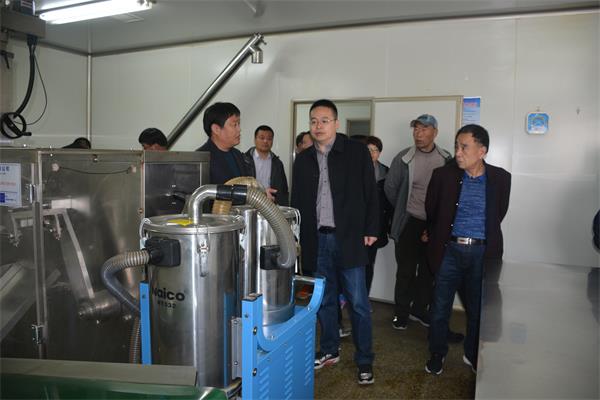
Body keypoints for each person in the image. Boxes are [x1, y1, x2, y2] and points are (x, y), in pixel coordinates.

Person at [291, 99, 378, 385]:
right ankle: (330, 349)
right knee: (324, 300)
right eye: (313, 121)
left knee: (358, 303)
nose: (318, 126)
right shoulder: (303, 159)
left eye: (324, 120)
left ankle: (364, 359)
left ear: (336, 123)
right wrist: (296, 237)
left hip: (349, 238)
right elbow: (297, 201)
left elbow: (370, 191)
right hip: (317, 240)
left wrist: (371, 228)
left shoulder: (356, 152)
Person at [424, 124, 511, 375]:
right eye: (456, 146)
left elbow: (498, 213)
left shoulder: (501, 178)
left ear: (482, 151)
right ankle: (437, 353)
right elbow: (432, 210)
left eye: (464, 147)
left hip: (482, 254)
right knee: (440, 307)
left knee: (478, 310)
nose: (458, 153)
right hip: (449, 250)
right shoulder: (442, 175)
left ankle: (472, 353)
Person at [384, 114, 452, 330]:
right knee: (405, 270)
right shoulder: (404, 158)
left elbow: (450, 192)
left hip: (433, 225)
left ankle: (420, 310)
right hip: (409, 222)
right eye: (416, 129)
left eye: (424, 129)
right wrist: (403, 209)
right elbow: (390, 188)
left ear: (435, 132)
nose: (418, 133)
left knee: (428, 271)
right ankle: (401, 313)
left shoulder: (446, 159)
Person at [196, 102, 252, 184]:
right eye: (234, 125)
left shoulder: (238, 154)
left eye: (239, 124)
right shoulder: (201, 160)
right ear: (216, 129)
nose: (239, 129)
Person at [364, 136, 392, 295]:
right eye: (368, 150)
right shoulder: (355, 170)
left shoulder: (386, 172)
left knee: (369, 263)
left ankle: (364, 297)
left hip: (375, 226)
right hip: (356, 226)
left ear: (379, 153)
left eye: (375, 150)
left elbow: (390, 201)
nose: (371, 153)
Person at [246, 125, 289, 206]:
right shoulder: (245, 160)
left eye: (269, 139)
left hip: (271, 204)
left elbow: (283, 190)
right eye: (262, 138)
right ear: (255, 140)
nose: (265, 141)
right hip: (249, 204)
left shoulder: (277, 163)